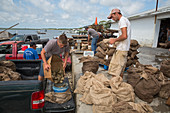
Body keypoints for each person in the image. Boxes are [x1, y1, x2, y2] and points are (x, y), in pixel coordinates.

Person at [107, 8, 131, 78]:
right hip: (123, 48)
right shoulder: (124, 20)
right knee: (120, 70)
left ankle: (115, 86)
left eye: (112, 16)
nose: (112, 19)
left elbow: (124, 36)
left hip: (121, 49)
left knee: (115, 71)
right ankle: (118, 86)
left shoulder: (122, 20)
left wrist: (114, 40)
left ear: (117, 13)